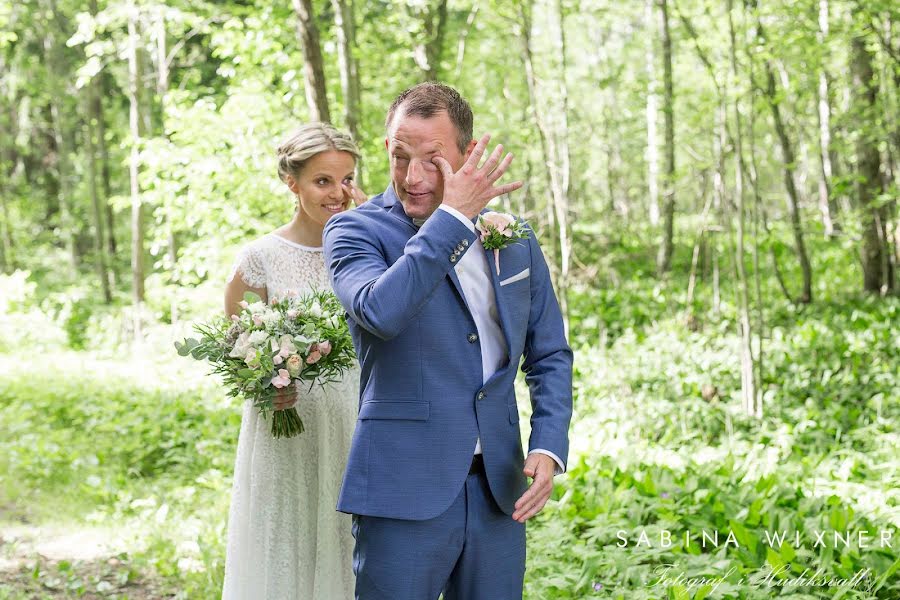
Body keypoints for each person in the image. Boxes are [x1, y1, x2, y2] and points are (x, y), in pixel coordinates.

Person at [323, 82, 573, 600]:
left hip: (499, 490)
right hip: (401, 491)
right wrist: (451, 219)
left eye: (432, 160)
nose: (413, 177)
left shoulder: (515, 239)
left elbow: (548, 354)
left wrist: (548, 445)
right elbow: (380, 312)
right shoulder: (354, 232)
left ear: (468, 154)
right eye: (399, 157)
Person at [221, 122, 367, 599]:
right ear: (293, 182)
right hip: (287, 428)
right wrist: (266, 383)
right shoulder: (261, 258)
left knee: (348, 548)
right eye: (323, 181)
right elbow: (237, 354)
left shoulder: (368, 247)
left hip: (355, 422)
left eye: (346, 179)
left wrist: (375, 226)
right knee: (287, 544)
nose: (338, 193)